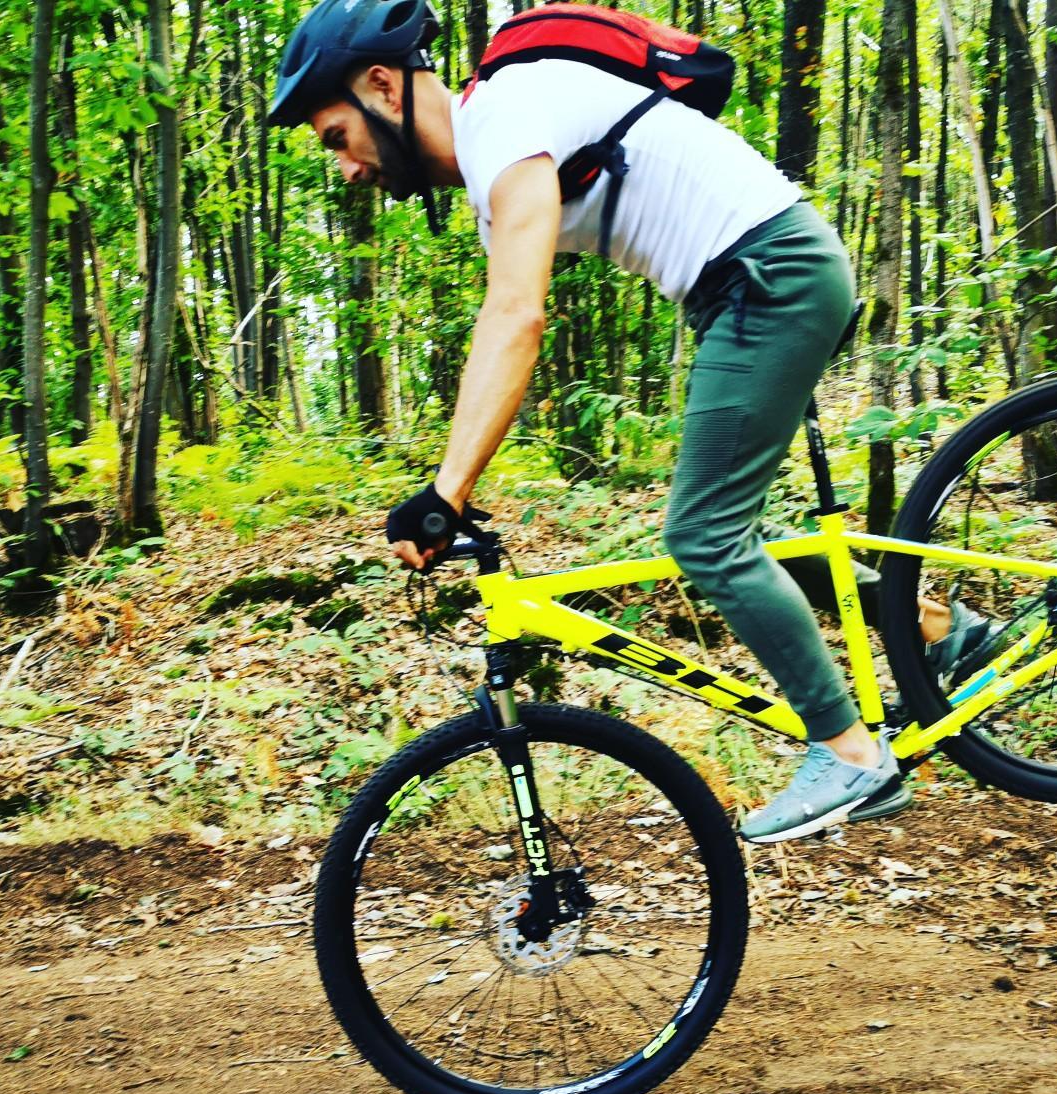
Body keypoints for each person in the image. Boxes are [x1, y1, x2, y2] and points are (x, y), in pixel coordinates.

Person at [267, 0, 994, 842]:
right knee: (728, 530)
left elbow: (517, 317)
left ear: (384, 87)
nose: (344, 169)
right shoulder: (495, 163)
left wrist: (447, 493)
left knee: (705, 537)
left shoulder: (503, 118)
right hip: (747, 285)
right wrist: (453, 486)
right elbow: (505, 331)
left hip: (770, 275)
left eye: (336, 138)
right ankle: (936, 630)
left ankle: (850, 755)